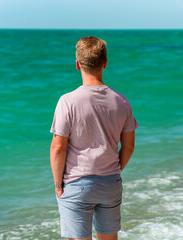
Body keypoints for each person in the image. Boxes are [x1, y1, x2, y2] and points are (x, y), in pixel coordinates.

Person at [49, 36, 139, 240]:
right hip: (110, 183)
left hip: (77, 183)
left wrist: (57, 185)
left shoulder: (67, 101)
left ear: (77, 65)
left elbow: (58, 148)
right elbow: (129, 146)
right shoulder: (121, 101)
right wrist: (114, 171)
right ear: (105, 63)